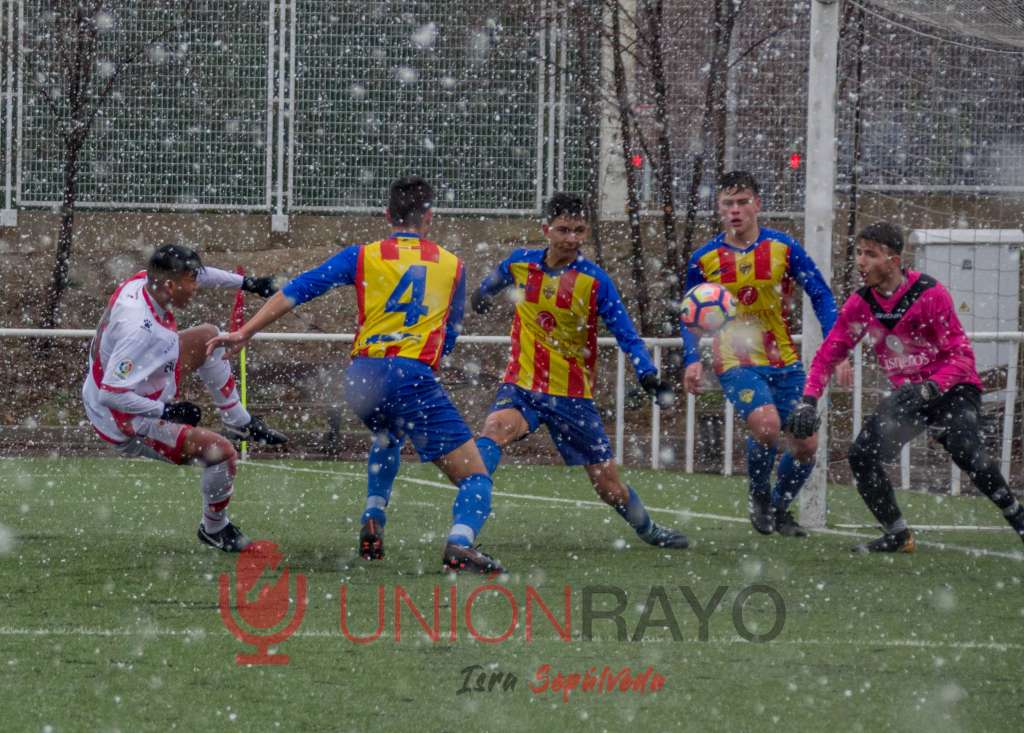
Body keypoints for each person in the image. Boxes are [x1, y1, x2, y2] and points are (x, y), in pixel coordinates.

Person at [207, 175, 504, 574]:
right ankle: (460, 544)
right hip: (410, 375)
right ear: (429, 217)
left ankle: (373, 518)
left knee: (387, 435)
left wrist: (245, 331)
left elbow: (300, 288)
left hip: (361, 378)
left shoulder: (363, 256)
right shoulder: (452, 266)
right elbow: (450, 335)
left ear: (387, 215)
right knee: (476, 480)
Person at [470, 192, 689, 550]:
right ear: (546, 229)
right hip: (522, 385)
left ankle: (649, 531)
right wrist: (481, 294)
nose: (572, 238)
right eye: (563, 230)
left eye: (579, 230)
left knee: (608, 485)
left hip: (571, 397)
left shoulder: (595, 281)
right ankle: (466, 531)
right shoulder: (521, 264)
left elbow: (626, 334)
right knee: (493, 432)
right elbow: (496, 278)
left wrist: (647, 372)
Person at [789, 221, 1024, 552]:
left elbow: (961, 357)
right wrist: (808, 400)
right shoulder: (860, 305)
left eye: (870, 254)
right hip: (909, 397)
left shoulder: (930, 294)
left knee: (965, 449)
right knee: (861, 456)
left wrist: (930, 388)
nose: (860, 261)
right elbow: (828, 356)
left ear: (893, 260)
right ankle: (898, 534)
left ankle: (1017, 517)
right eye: (858, 253)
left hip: (953, 388)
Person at [82, 244, 288, 553]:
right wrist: (166, 410)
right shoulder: (139, 329)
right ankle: (215, 529)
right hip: (125, 419)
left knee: (209, 336)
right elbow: (110, 394)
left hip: (143, 379)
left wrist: (248, 283)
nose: (196, 287)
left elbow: (205, 277)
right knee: (221, 453)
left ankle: (241, 422)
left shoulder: (146, 282)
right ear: (170, 284)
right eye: (191, 281)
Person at [680, 171, 852, 537]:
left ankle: (778, 505)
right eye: (729, 203)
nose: (736, 210)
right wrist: (692, 359)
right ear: (720, 209)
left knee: (806, 443)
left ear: (757, 204)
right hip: (735, 361)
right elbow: (688, 314)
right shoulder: (704, 258)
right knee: (768, 426)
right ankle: (759, 495)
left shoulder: (784, 248)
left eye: (743, 202)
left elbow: (820, 294)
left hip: (783, 359)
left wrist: (838, 349)